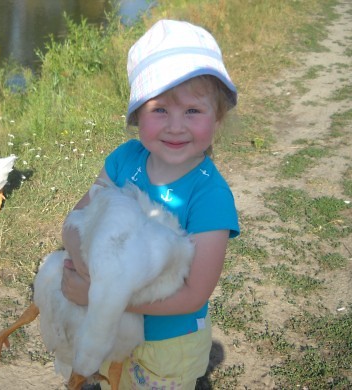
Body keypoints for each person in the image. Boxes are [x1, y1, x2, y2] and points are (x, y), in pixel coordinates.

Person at [61, 19, 240, 389]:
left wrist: (106, 297)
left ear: (217, 118)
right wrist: (86, 269)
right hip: (117, 329)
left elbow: (193, 294)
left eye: (193, 111)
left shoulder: (211, 197)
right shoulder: (124, 161)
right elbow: (76, 219)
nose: (176, 126)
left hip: (168, 346)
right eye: (159, 110)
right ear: (137, 115)